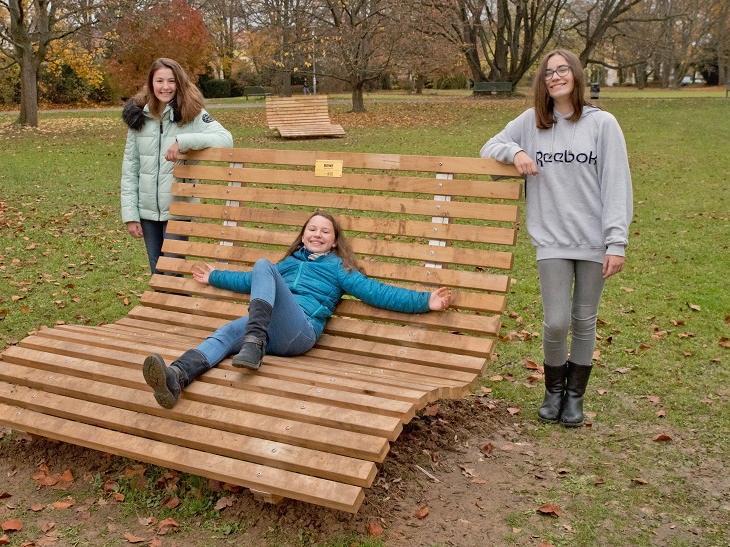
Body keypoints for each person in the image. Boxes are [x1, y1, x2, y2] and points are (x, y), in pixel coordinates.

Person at [141, 211, 454, 409]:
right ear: (303, 235)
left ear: (334, 242)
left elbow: (378, 293)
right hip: (267, 331)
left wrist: (425, 302)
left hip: (298, 332)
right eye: (312, 229)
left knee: (264, 268)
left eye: (325, 231)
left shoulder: (339, 268)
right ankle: (176, 378)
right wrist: (214, 276)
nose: (317, 234)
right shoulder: (289, 263)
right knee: (225, 332)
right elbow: (253, 280)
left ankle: (253, 341)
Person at [479, 49, 633, 428]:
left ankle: (574, 397)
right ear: (542, 82)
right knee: (556, 322)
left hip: (594, 241)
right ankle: (553, 391)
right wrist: (514, 151)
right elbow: (488, 147)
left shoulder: (603, 124)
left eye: (562, 70)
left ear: (576, 75)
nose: (555, 77)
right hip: (551, 239)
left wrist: (616, 242)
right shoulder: (533, 122)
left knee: (584, 319)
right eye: (548, 73)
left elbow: (617, 185)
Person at [121, 58, 233, 277]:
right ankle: (169, 310)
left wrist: (185, 141)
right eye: (159, 80)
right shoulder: (138, 116)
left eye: (171, 81)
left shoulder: (192, 112)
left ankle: (179, 309)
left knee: (172, 270)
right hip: (146, 211)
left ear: (179, 83)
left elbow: (226, 139)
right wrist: (131, 214)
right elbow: (130, 169)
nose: (165, 87)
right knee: (158, 271)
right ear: (151, 83)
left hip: (178, 208)